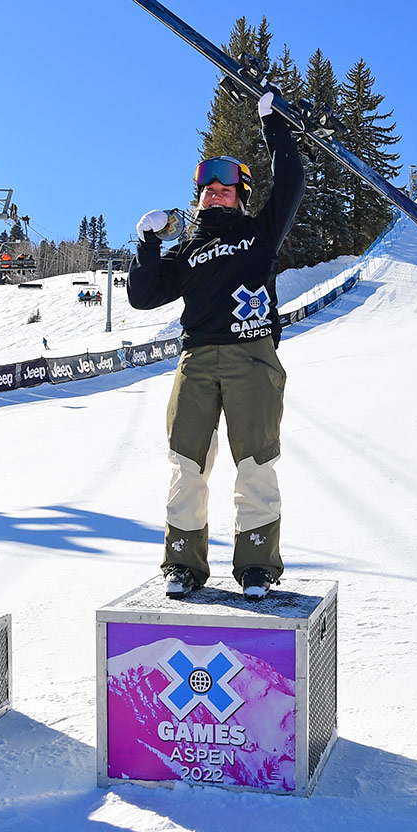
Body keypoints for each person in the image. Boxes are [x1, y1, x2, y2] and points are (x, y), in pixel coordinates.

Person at [128, 90, 306, 600]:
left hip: (253, 356)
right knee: (187, 463)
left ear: (242, 194)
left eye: (226, 186)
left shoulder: (259, 233)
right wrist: (147, 244)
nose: (214, 192)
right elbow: (143, 296)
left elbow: (292, 182)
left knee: (255, 464)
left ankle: (256, 564)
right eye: (206, 186)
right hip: (197, 359)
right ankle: (183, 562)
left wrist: (274, 125)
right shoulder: (186, 252)